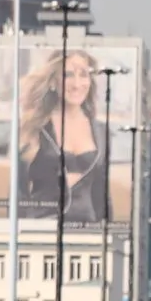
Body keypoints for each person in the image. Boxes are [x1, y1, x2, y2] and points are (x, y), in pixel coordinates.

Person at [17, 49, 110, 224]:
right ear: (53, 82)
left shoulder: (101, 131)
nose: (77, 84)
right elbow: (18, 189)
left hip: (87, 228)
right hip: (43, 226)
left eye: (84, 75)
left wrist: (109, 234)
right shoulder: (35, 127)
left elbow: (102, 194)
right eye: (68, 75)